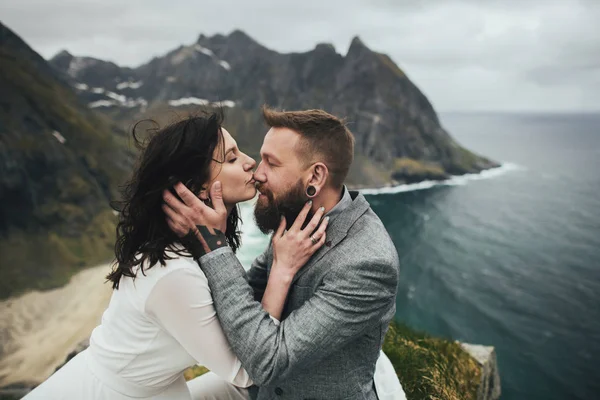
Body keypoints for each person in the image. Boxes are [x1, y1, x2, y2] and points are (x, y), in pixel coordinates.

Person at [23, 111, 329, 400]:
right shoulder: (174, 274)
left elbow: (238, 315)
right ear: (198, 187)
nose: (251, 163)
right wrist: (282, 269)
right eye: (232, 158)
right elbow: (249, 369)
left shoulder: (189, 247)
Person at [163, 107, 403, 400]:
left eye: (271, 164)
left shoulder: (367, 263)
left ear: (315, 176)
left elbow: (267, 362)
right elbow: (244, 302)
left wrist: (214, 246)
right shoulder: (295, 216)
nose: (257, 172)